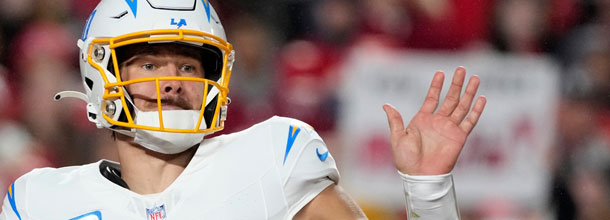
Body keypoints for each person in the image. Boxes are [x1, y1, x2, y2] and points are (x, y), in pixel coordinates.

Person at [0, 0, 486, 219]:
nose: (171, 83)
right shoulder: (40, 203)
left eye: (190, 68)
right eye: (149, 63)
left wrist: (429, 193)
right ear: (98, 71)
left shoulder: (270, 160)